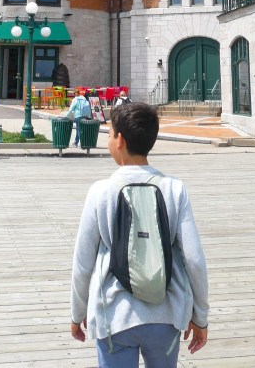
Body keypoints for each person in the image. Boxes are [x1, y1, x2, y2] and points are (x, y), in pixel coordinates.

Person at [70, 102, 208, 368]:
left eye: (110, 133)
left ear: (119, 140)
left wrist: (78, 314)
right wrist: (200, 316)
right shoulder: (174, 189)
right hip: (166, 316)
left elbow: (82, 263)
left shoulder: (100, 192)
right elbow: (194, 260)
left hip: (115, 317)